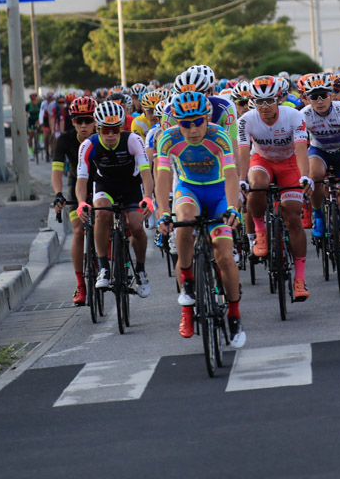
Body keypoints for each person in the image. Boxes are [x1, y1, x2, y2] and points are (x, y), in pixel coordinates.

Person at [155, 91, 246, 347]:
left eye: (198, 122)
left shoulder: (219, 137)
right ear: (177, 123)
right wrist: (163, 212)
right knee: (182, 222)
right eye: (185, 123)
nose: (193, 129)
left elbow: (231, 175)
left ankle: (234, 314)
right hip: (189, 190)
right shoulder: (167, 139)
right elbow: (162, 178)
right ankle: (187, 294)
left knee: (225, 255)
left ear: (207, 117)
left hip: (218, 194)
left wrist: (232, 208)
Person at [236, 75, 313, 302]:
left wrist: (306, 177)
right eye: (259, 102)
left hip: (290, 163)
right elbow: (243, 151)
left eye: (269, 101)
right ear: (253, 102)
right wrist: (242, 180)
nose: (264, 107)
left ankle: (299, 279)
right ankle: (260, 230)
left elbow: (301, 149)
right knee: (256, 184)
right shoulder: (246, 120)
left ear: (279, 99)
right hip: (262, 160)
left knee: (293, 216)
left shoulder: (294, 116)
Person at [74, 101, 154, 300]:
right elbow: (82, 180)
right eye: (106, 130)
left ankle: (141, 269)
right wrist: (81, 202)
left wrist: (148, 198)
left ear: (121, 128)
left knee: (136, 226)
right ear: (98, 128)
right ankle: (104, 268)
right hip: (105, 185)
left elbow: (146, 173)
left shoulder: (133, 140)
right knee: (101, 214)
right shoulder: (88, 145)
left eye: (115, 129)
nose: (111, 135)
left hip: (130, 186)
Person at [299, 73, 340, 282]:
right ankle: (318, 216)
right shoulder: (304, 115)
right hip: (319, 152)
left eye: (323, 95)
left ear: (331, 95)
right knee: (315, 174)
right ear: (307, 98)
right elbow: (300, 146)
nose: (319, 101)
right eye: (314, 97)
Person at [52, 96, 98, 305]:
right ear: (72, 121)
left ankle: (108, 264)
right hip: (75, 184)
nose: (84, 125)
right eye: (79, 120)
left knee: (103, 225)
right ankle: (81, 284)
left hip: (100, 182)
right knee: (79, 231)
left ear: (95, 120)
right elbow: (57, 171)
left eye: (88, 120)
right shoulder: (65, 140)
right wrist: (58, 194)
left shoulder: (101, 136)